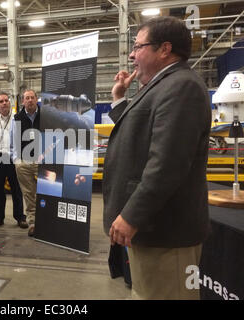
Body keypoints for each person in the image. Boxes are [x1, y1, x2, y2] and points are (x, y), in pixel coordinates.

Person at [103, 16, 211, 300]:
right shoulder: (163, 85)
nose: (131, 54)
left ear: (164, 49)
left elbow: (167, 163)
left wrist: (131, 214)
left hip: (166, 232)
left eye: (138, 46)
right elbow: (139, 133)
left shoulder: (181, 87)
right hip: (153, 229)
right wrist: (119, 100)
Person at [0, 92, 28, 229]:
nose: (4, 103)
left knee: (16, 189)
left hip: (12, 156)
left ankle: (20, 217)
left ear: (9, 102)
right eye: (1, 101)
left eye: (6, 100)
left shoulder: (17, 119)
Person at [10, 90, 40, 237]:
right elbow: (14, 141)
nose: (29, 100)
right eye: (26, 98)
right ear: (23, 101)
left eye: (32, 98)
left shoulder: (45, 115)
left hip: (43, 160)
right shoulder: (17, 118)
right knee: (28, 193)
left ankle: (49, 220)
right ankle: (33, 222)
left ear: (37, 99)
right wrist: (17, 160)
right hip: (24, 162)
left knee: (47, 190)